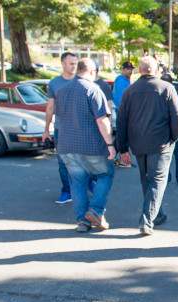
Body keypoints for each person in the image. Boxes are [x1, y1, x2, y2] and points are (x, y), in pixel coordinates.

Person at [116, 56, 178, 235]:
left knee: (147, 180)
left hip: (138, 143)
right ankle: (147, 220)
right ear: (156, 70)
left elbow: (121, 121)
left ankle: (156, 214)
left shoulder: (129, 91)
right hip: (161, 142)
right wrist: (173, 138)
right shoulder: (167, 88)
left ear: (140, 70)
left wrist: (122, 148)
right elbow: (177, 117)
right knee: (158, 180)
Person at [55, 58, 117, 234]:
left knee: (77, 182)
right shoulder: (93, 89)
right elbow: (102, 120)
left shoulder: (62, 90)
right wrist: (110, 144)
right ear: (92, 71)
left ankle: (82, 221)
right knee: (106, 173)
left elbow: (60, 116)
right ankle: (96, 211)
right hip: (90, 145)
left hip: (66, 144)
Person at [41, 52, 78, 205]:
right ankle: (67, 191)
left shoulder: (80, 81)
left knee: (84, 161)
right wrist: (46, 130)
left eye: (76, 63)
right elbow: (50, 107)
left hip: (80, 130)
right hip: (61, 129)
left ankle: (86, 185)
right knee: (63, 163)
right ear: (63, 64)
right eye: (71, 63)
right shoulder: (55, 83)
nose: (74, 66)